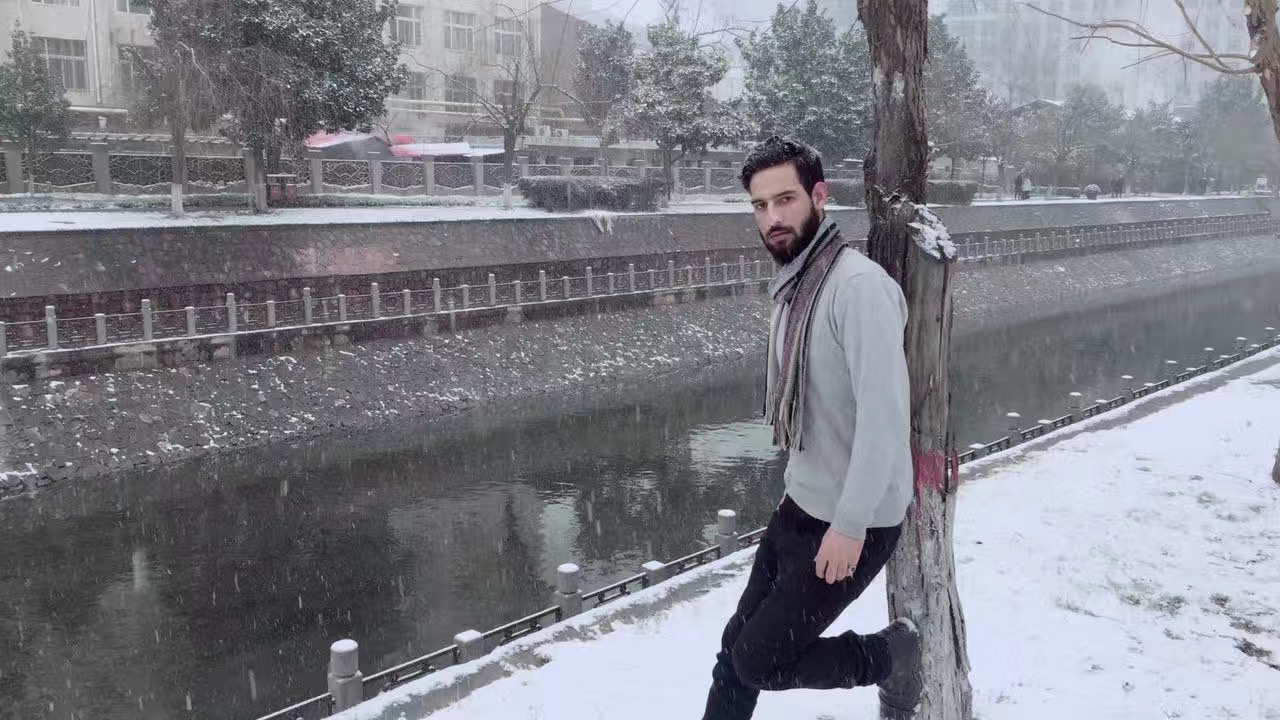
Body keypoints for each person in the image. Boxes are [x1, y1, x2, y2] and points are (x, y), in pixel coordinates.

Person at [701, 135, 922, 720]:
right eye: (760, 205)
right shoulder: (796, 285)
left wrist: (849, 525)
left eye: (785, 200)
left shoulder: (858, 289)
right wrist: (798, 492)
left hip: (855, 521)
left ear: (819, 197)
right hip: (802, 504)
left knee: (760, 662)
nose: (772, 218)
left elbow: (884, 418)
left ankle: (891, 656)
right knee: (735, 652)